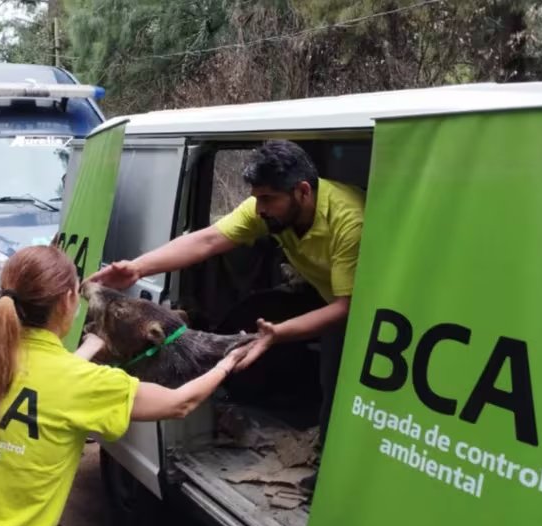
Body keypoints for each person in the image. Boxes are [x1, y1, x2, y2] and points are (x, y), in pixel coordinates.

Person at [0, 246, 250, 526]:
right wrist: (228, 361)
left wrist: (93, 344)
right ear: (67, 302)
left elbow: (49, 384)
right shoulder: (84, 385)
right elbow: (179, 403)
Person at [89, 139, 365, 464]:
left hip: (373, 312)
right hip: (331, 298)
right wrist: (137, 268)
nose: (259, 209)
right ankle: (326, 458)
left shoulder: (349, 221)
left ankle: (335, 472)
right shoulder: (269, 208)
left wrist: (279, 333)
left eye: (268, 199)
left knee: (347, 397)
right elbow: (209, 239)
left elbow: (348, 307)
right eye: (256, 199)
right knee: (329, 384)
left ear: (303, 191)